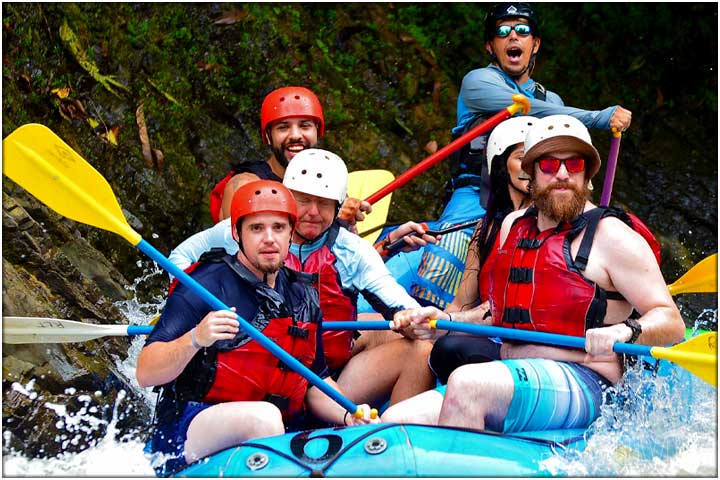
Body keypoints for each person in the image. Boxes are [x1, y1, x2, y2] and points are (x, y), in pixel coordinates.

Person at [382, 115, 685, 432]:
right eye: (550, 166)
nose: (564, 175)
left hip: (587, 379)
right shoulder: (513, 226)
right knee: (393, 421)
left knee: (468, 383)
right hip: (513, 366)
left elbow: (671, 321)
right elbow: (496, 313)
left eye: (575, 164)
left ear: (588, 175)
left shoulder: (614, 237)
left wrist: (623, 332)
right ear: (531, 173)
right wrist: (444, 321)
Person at [137, 180, 376, 476]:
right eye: (256, 228)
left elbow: (316, 379)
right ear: (237, 233)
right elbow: (146, 373)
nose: (269, 239)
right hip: (187, 432)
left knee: (286, 422)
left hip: (275, 431)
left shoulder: (304, 296)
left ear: (292, 233)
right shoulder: (203, 286)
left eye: (278, 228)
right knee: (264, 418)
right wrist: (195, 339)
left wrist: (348, 413)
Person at [409, 2, 633, 311]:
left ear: (535, 44)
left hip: (536, 198)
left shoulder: (552, 99)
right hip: (475, 194)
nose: (513, 36)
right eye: (503, 31)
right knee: (450, 244)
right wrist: (597, 117)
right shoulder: (478, 83)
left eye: (523, 30)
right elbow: (536, 110)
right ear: (491, 46)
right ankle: (423, 310)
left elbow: (555, 126)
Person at [169, 149, 439, 407]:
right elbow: (180, 259)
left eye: (323, 203)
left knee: (420, 349)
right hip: (253, 369)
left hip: (324, 379)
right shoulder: (247, 231)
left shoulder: (352, 251)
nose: (312, 212)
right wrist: (194, 308)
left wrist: (409, 317)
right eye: (303, 200)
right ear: (286, 198)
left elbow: (396, 299)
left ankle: (387, 442)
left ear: (338, 207)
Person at [395, 115, 537, 387]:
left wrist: (446, 325)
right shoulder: (485, 230)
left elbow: (503, 308)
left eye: (538, 161)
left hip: (523, 344)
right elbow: (461, 303)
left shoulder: (548, 226)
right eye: (522, 159)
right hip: (484, 331)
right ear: (500, 166)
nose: (531, 170)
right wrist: (432, 324)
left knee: (448, 348)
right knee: (414, 339)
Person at [209, 86, 370, 225]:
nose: (295, 135)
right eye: (283, 127)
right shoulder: (244, 185)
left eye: (305, 126)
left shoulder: (327, 181)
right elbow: (251, 250)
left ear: (318, 132)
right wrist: (331, 214)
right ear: (267, 136)